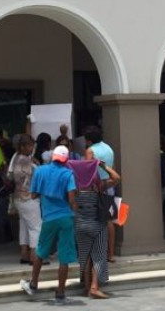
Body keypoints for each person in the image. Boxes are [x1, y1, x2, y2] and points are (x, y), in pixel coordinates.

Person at [21, 145, 78, 305]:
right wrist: (75, 210)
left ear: (53, 157)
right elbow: (72, 197)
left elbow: (33, 195)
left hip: (49, 218)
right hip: (66, 217)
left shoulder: (40, 171)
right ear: (66, 159)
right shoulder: (68, 173)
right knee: (64, 257)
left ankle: (33, 285)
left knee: (41, 251)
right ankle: (60, 293)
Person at [71, 158, 121, 299]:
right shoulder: (98, 186)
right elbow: (117, 178)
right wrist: (103, 165)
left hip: (80, 225)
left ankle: (87, 288)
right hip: (97, 225)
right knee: (98, 256)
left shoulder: (75, 188)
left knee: (85, 257)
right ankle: (94, 287)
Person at [83, 125, 118, 262]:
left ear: (89, 140)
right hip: (110, 184)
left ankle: (97, 253)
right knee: (109, 221)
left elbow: (87, 172)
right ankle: (111, 254)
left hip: (97, 186)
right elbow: (113, 168)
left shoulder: (90, 151)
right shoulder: (109, 148)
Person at [10, 133, 46, 265]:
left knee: (24, 226)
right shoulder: (25, 161)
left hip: (19, 197)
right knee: (36, 227)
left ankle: (24, 254)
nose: (32, 148)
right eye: (30, 146)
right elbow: (38, 175)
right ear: (23, 147)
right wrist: (37, 165)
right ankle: (34, 256)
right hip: (29, 197)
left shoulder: (16, 158)